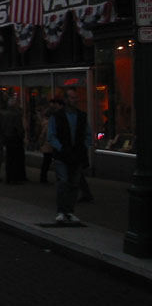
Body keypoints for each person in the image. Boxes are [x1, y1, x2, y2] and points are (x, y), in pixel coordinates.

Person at [48, 88, 93, 224]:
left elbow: (88, 134)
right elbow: (51, 135)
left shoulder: (81, 116)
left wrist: (84, 146)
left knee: (74, 183)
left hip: (76, 154)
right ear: (66, 100)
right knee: (64, 181)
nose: (75, 100)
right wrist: (60, 148)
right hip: (63, 154)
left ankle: (69, 211)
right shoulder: (57, 116)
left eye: (76, 97)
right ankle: (62, 211)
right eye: (72, 98)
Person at [1, 97, 27, 184]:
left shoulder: (4, 114)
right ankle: (15, 177)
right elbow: (19, 127)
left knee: (9, 158)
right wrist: (21, 135)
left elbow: (2, 126)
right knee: (15, 158)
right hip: (15, 138)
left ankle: (9, 177)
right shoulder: (16, 114)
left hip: (8, 138)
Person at [39, 99, 63, 184]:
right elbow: (44, 135)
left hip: (47, 145)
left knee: (47, 162)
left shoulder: (45, 122)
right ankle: (44, 178)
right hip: (49, 145)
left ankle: (44, 177)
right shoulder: (49, 124)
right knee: (48, 162)